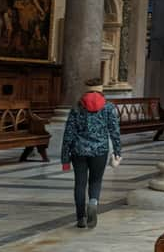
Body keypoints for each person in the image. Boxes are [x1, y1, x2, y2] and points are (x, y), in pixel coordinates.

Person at [61, 79, 121, 229]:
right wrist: (117, 151)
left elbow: (68, 133)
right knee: (96, 181)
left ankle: (80, 218)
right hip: (100, 150)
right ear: (101, 90)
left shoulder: (77, 107)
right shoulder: (108, 107)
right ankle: (93, 202)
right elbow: (115, 131)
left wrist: (65, 158)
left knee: (80, 183)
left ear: (86, 90)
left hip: (78, 150)